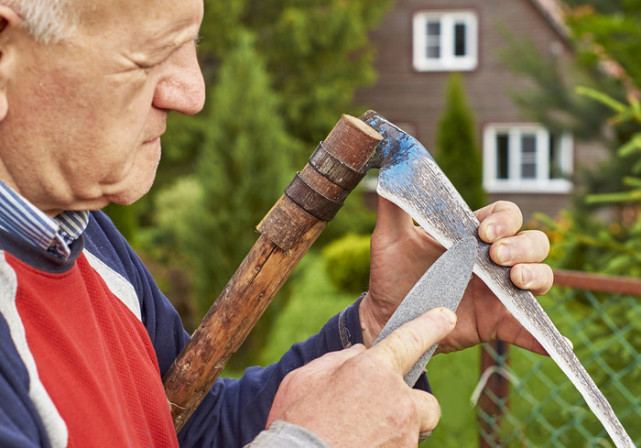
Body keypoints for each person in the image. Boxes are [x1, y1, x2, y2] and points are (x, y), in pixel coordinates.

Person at [0, 0, 553, 447]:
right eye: (150, 57)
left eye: (192, 46)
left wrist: (387, 324)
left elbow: (190, 428)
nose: (192, 94)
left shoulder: (80, 235)